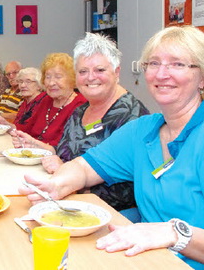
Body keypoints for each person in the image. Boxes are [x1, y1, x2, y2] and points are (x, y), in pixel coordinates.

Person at [19, 26, 204, 269]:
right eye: (153, 63)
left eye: (178, 64)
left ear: (203, 76)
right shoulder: (144, 130)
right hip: (143, 256)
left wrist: (174, 233)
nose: (162, 74)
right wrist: (55, 186)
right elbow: (85, 167)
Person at [12, 33, 150, 211]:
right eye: (83, 71)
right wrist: (38, 146)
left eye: (100, 70)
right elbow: (65, 152)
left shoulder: (132, 117)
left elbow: (126, 190)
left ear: (116, 72)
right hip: (63, 198)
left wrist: (70, 176)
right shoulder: (80, 112)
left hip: (104, 213)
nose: (91, 77)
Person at [0, 53, 86, 146]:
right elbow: (25, 130)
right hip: (31, 153)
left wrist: (33, 144)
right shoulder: (46, 100)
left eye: (58, 77)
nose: (51, 82)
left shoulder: (80, 105)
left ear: (72, 79)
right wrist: (5, 124)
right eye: (48, 77)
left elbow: (66, 146)